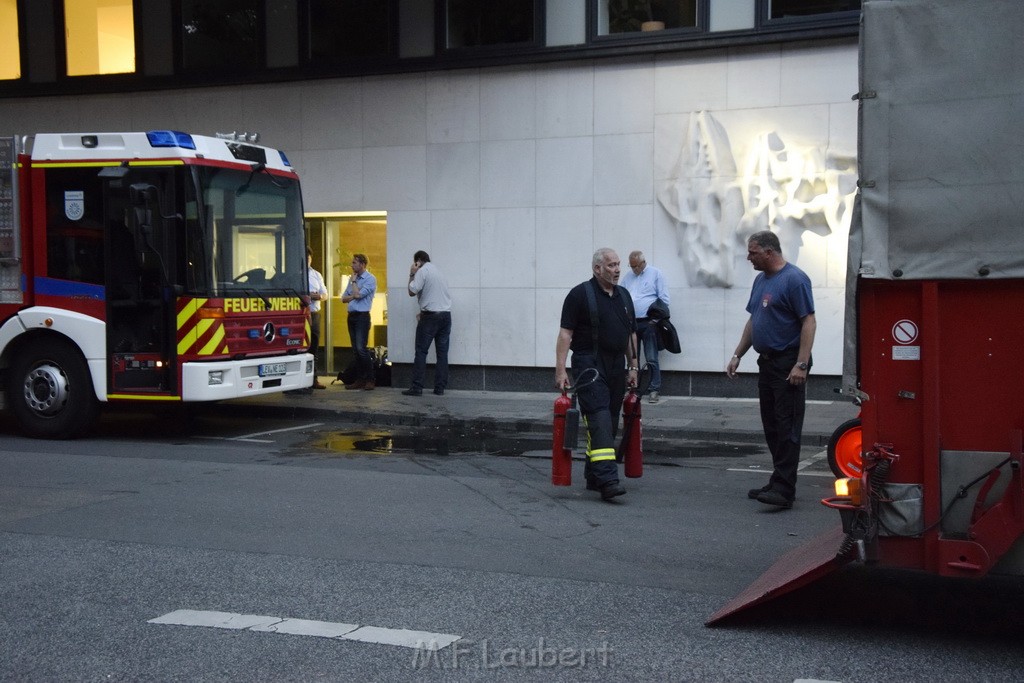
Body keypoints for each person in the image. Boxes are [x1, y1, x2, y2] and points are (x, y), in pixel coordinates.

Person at [726, 230, 816, 510]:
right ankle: (778, 478)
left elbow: (809, 322)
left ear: (769, 252)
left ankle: (784, 490)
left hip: (788, 363)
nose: (748, 257)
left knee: (787, 425)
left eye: (752, 252)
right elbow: (755, 320)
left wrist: (801, 363)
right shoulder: (760, 280)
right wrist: (738, 353)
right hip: (766, 362)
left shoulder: (795, 279)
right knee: (772, 424)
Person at [555, 248, 639, 501]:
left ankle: (594, 475)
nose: (617, 269)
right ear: (597, 269)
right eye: (611, 265)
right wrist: (560, 370)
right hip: (589, 364)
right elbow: (565, 335)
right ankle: (608, 480)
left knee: (611, 421)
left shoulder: (623, 296)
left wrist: (633, 366)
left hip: (616, 366)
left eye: (618, 265)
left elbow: (630, 334)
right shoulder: (579, 294)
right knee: (599, 419)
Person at [620, 250, 669, 404]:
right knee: (633, 357)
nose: (633, 269)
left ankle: (654, 389)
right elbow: (621, 295)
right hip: (632, 322)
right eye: (631, 266)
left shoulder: (655, 274)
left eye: (635, 266)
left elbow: (664, 299)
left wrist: (655, 320)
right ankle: (634, 388)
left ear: (643, 263)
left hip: (649, 322)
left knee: (651, 357)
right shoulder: (628, 277)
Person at [403, 250, 452, 397]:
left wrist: (412, 273)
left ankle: (417, 387)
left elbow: (412, 291)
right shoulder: (439, 272)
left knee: (421, 352)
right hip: (445, 316)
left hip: (430, 318)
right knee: (442, 354)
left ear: (418, 261)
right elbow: (436, 295)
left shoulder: (422, 271)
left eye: (415, 263)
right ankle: (440, 388)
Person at [341, 253, 377, 391]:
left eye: (354, 263)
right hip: (352, 316)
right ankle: (360, 379)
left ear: (362, 264)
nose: (352, 265)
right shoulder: (352, 279)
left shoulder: (369, 279)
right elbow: (344, 298)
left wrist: (354, 283)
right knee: (356, 350)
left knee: (362, 349)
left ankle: (370, 379)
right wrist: (353, 293)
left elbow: (358, 295)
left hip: (362, 316)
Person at [307, 247, 328, 391]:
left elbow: (325, 294)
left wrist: (319, 296)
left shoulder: (316, 275)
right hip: (300, 315)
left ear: (311, 259)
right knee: (302, 348)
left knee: (314, 347)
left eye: (308, 258)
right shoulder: (295, 275)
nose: (306, 261)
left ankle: (314, 379)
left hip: (314, 314)